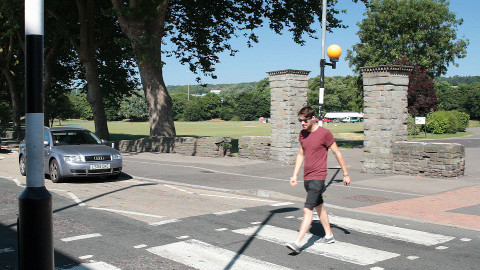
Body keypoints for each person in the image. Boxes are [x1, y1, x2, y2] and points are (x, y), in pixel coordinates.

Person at [286, 106, 351, 254]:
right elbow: (301, 154)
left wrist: (345, 174)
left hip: (318, 176)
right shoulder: (302, 134)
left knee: (307, 209)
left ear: (313, 118)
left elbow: (337, 153)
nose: (302, 123)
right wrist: (294, 175)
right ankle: (329, 236)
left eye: (305, 120)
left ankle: (297, 243)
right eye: (300, 120)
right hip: (307, 177)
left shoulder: (324, 133)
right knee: (318, 206)